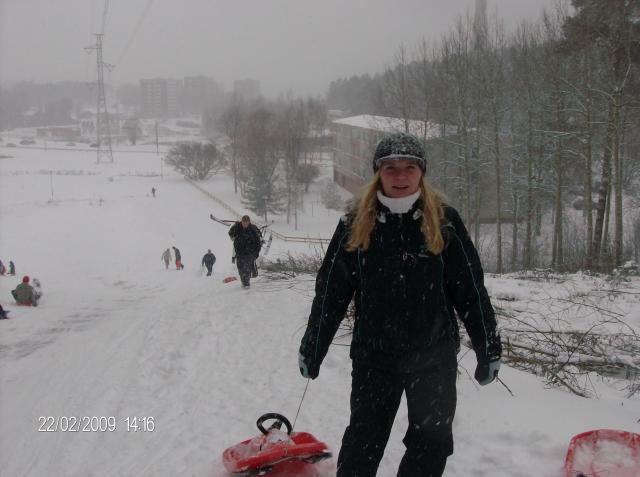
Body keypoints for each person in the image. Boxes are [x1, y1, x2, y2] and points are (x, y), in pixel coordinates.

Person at [297, 132, 502, 477]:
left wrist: (489, 347)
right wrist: (313, 346)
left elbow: (470, 290)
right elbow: (331, 292)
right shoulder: (354, 223)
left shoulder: (445, 221)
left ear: (422, 172)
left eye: (410, 167)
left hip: (434, 358)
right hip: (375, 357)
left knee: (431, 444)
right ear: (378, 172)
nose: (401, 176)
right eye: (391, 168)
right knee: (363, 441)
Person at [228, 215, 262, 288]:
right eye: (244, 223)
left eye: (246, 223)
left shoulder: (253, 228)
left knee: (247, 268)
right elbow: (230, 233)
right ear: (242, 221)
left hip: (250, 252)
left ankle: (246, 283)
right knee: (240, 268)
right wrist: (234, 230)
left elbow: (258, 242)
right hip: (239, 252)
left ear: (249, 222)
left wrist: (256, 252)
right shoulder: (237, 227)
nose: (245, 224)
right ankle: (244, 281)